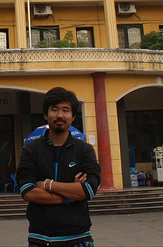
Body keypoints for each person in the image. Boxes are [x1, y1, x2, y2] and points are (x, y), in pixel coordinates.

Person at [16, 87, 102, 247]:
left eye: (65, 110)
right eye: (54, 110)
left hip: (79, 238)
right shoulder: (31, 150)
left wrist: (47, 184)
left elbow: (89, 190)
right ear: (45, 115)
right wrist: (71, 196)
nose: (60, 115)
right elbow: (27, 191)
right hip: (40, 238)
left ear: (73, 116)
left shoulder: (84, 150)